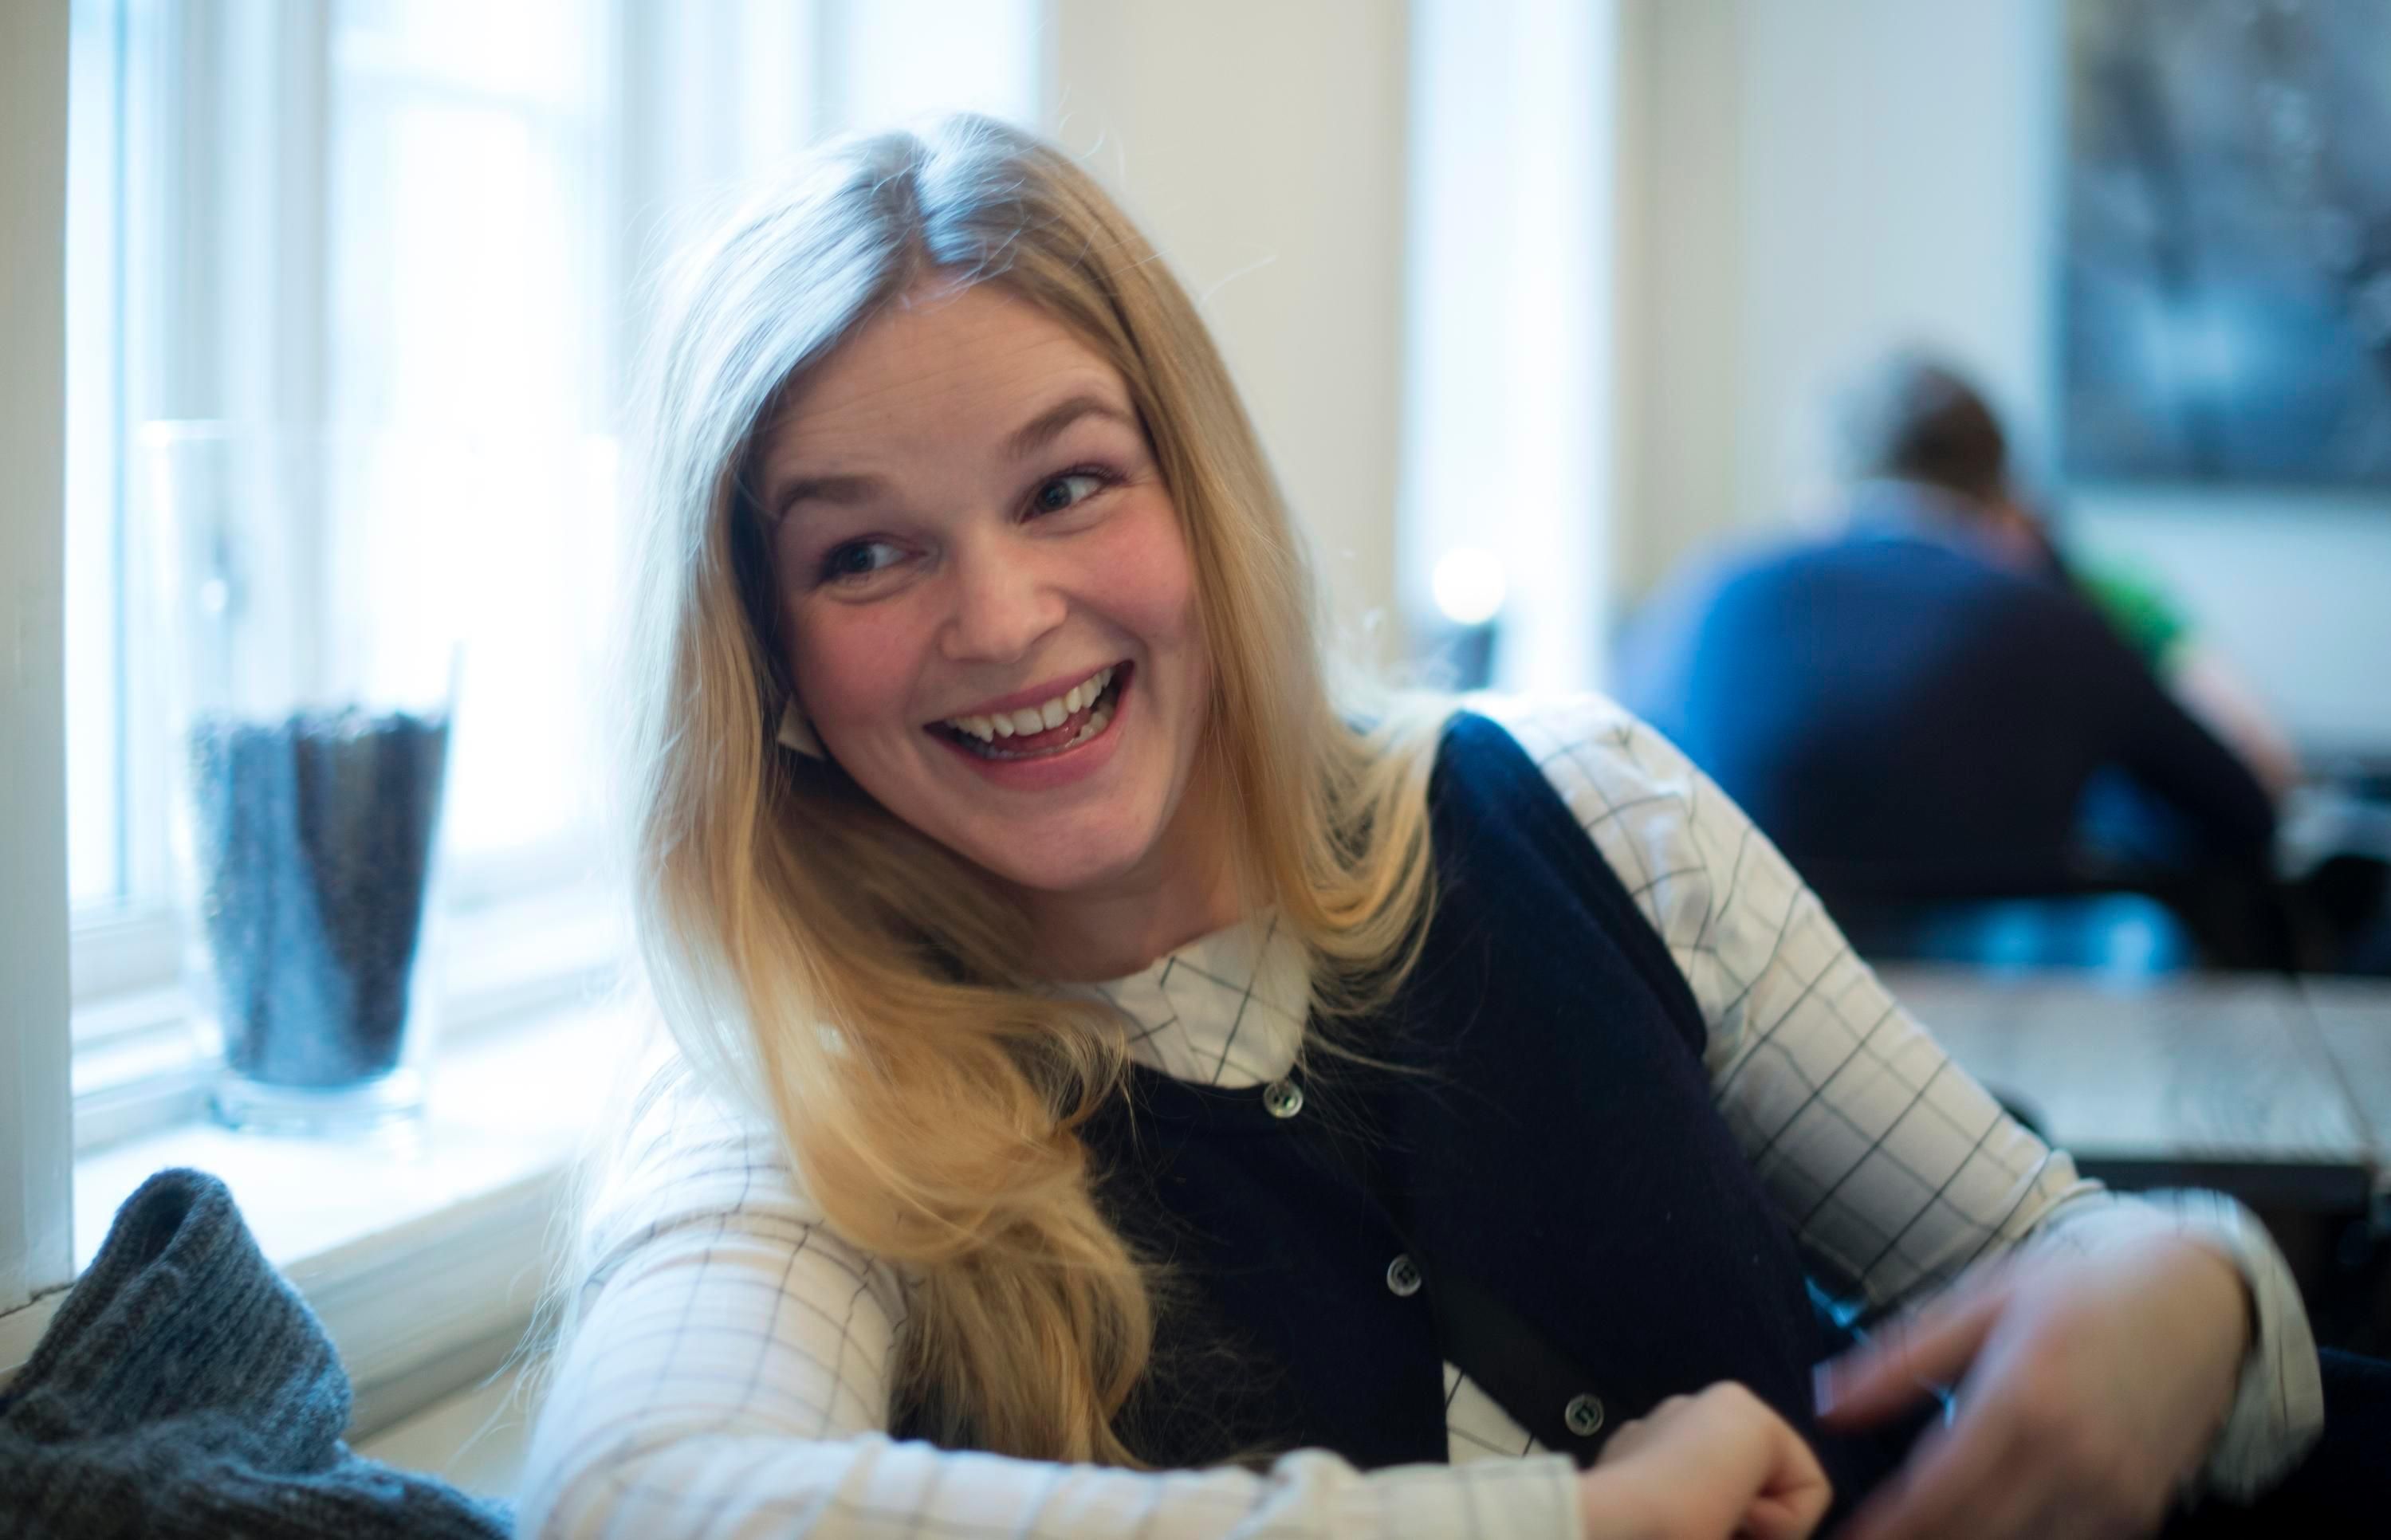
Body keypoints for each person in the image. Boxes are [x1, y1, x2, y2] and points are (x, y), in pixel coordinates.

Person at [517, 119, 2368, 1540]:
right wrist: (1553, 1524)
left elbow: (2055, 1258)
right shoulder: (786, 1081)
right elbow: (633, 1501)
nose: (998, 619)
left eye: (1068, 485)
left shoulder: (1589, 808)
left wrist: (2196, 1289)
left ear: (1201, 496)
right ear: (762, 654)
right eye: (863, 554)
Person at [1615, 356, 2282, 935]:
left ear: (1816, 491)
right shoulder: (2057, 615)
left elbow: (1617, 799)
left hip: (1746, 984)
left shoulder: (1711, 591)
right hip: (2021, 1001)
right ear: (2001, 494)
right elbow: (2242, 815)